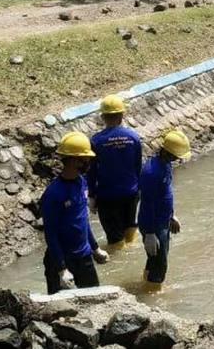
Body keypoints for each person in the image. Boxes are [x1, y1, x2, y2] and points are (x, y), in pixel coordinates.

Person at [42, 132, 101, 295]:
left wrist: (95, 248)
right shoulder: (53, 193)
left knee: (96, 301)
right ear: (75, 160)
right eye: (86, 159)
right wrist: (62, 269)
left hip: (84, 257)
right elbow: (50, 233)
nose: (89, 162)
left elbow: (83, 220)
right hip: (62, 261)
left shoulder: (81, 182)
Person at [88, 95, 142, 254]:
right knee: (131, 234)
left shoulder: (96, 141)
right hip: (131, 194)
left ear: (103, 117)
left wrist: (91, 195)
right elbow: (138, 166)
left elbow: (91, 171)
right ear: (122, 115)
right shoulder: (133, 137)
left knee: (115, 241)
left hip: (108, 197)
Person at [138, 130, 190, 293]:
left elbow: (166, 194)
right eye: (176, 155)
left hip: (163, 221)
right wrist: (150, 234)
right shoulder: (151, 173)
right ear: (167, 152)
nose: (178, 158)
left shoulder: (165, 164)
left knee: (155, 260)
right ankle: (152, 294)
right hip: (153, 225)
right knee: (160, 265)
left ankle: (146, 284)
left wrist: (172, 215)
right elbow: (148, 203)